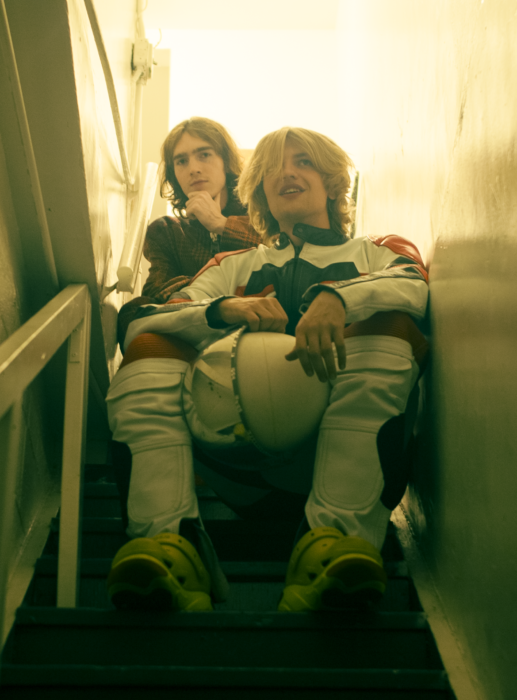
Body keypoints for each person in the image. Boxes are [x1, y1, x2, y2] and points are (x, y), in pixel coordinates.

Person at [106, 127, 429, 613]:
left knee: (393, 325)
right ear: (259, 192)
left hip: (346, 457)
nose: (286, 173)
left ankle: (336, 540)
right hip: (240, 467)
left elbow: (415, 286)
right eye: (273, 168)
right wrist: (222, 311)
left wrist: (337, 298)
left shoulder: (378, 250)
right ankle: (169, 544)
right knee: (152, 345)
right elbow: (140, 320)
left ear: (333, 181)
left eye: (303, 162)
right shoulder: (230, 265)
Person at [112, 117, 261, 516]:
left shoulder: (262, 216)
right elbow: (160, 291)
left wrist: (220, 224)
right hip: (192, 336)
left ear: (227, 162)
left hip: (258, 340)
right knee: (135, 316)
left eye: (204, 155)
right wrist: (214, 298)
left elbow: (279, 257)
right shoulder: (166, 231)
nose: (193, 168)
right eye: (181, 161)